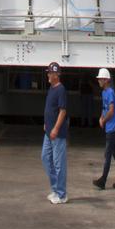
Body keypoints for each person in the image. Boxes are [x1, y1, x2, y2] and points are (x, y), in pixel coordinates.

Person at [92, 67, 115, 190]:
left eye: (100, 79)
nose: (99, 81)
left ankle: (103, 180)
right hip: (109, 126)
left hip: (112, 127)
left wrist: (103, 120)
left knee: (108, 154)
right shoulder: (104, 92)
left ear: (106, 80)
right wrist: (101, 117)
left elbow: (111, 110)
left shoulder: (110, 92)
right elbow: (105, 108)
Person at [41, 61, 68, 204]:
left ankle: (61, 194)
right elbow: (50, 109)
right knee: (45, 158)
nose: (48, 75)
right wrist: (46, 124)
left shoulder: (60, 90)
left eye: (50, 73)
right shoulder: (51, 89)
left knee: (59, 163)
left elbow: (62, 111)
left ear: (56, 75)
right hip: (48, 132)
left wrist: (56, 128)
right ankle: (55, 189)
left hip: (57, 133)